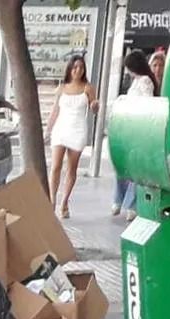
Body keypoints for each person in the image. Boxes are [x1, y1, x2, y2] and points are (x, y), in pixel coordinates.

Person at [45, 54, 98, 219]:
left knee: (71, 168)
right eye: (75, 67)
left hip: (77, 129)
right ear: (70, 69)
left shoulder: (88, 88)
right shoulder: (61, 88)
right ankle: (52, 200)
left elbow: (94, 108)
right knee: (55, 166)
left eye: (81, 67)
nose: (78, 70)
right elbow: (55, 110)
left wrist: (95, 105)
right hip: (61, 128)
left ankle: (64, 201)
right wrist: (48, 129)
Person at [112, 50, 157, 218]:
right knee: (124, 165)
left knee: (133, 167)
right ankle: (121, 199)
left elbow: (147, 102)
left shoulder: (145, 81)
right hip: (130, 127)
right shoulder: (136, 82)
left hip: (138, 127)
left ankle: (129, 203)